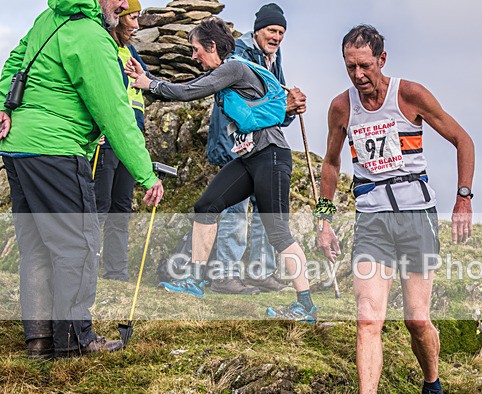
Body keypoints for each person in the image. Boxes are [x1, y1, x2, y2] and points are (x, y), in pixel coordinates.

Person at [317, 25, 475, 394]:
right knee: (368, 317)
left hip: (416, 217)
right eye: (350, 67)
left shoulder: (410, 95)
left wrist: (463, 199)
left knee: (416, 319)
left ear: (382, 60)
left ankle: (432, 386)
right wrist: (324, 218)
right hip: (372, 220)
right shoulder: (341, 107)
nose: (358, 75)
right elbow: (331, 163)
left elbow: (463, 140)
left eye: (365, 66)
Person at [0, 0, 164, 359]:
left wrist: (3, 105)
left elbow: (15, 63)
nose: (123, 5)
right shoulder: (91, 36)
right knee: (77, 245)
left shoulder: (49, 17)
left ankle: (40, 341)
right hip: (56, 149)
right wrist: (145, 173)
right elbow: (115, 112)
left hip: (18, 148)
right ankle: (74, 340)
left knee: (36, 248)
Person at [128, 17, 317, 322]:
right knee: (206, 206)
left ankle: (305, 305)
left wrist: (149, 82)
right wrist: (147, 77)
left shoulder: (234, 67)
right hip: (249, 158)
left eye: (196, 49)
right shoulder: (229, 71)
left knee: (277, 231)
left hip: (270, 155)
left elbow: (189, 91)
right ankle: (196, 281)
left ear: (212, 46)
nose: (194, 56)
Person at [206, 3, 295, 295]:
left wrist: (291, 108)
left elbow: (275, 105)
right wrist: (284, 106)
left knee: (263, 207)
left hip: (261, 145)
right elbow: (241, 107)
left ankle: (261, 272)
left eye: (281, 32)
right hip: (237, 143)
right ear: (258, 30)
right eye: (272, 30)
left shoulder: (273, 58)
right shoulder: (239, 56)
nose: (277, 37)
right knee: (235, 207)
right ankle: (225, 276)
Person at [94, 0, 148, 282]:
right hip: (106, 142)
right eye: (132, 18)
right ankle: (86, 269)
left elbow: (144, 87)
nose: (136, 26)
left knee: (121, 208)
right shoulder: (103, 48)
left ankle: (116, 272)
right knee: (99, 206)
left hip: (130, 142)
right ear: (118, 17)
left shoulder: (132, 53)